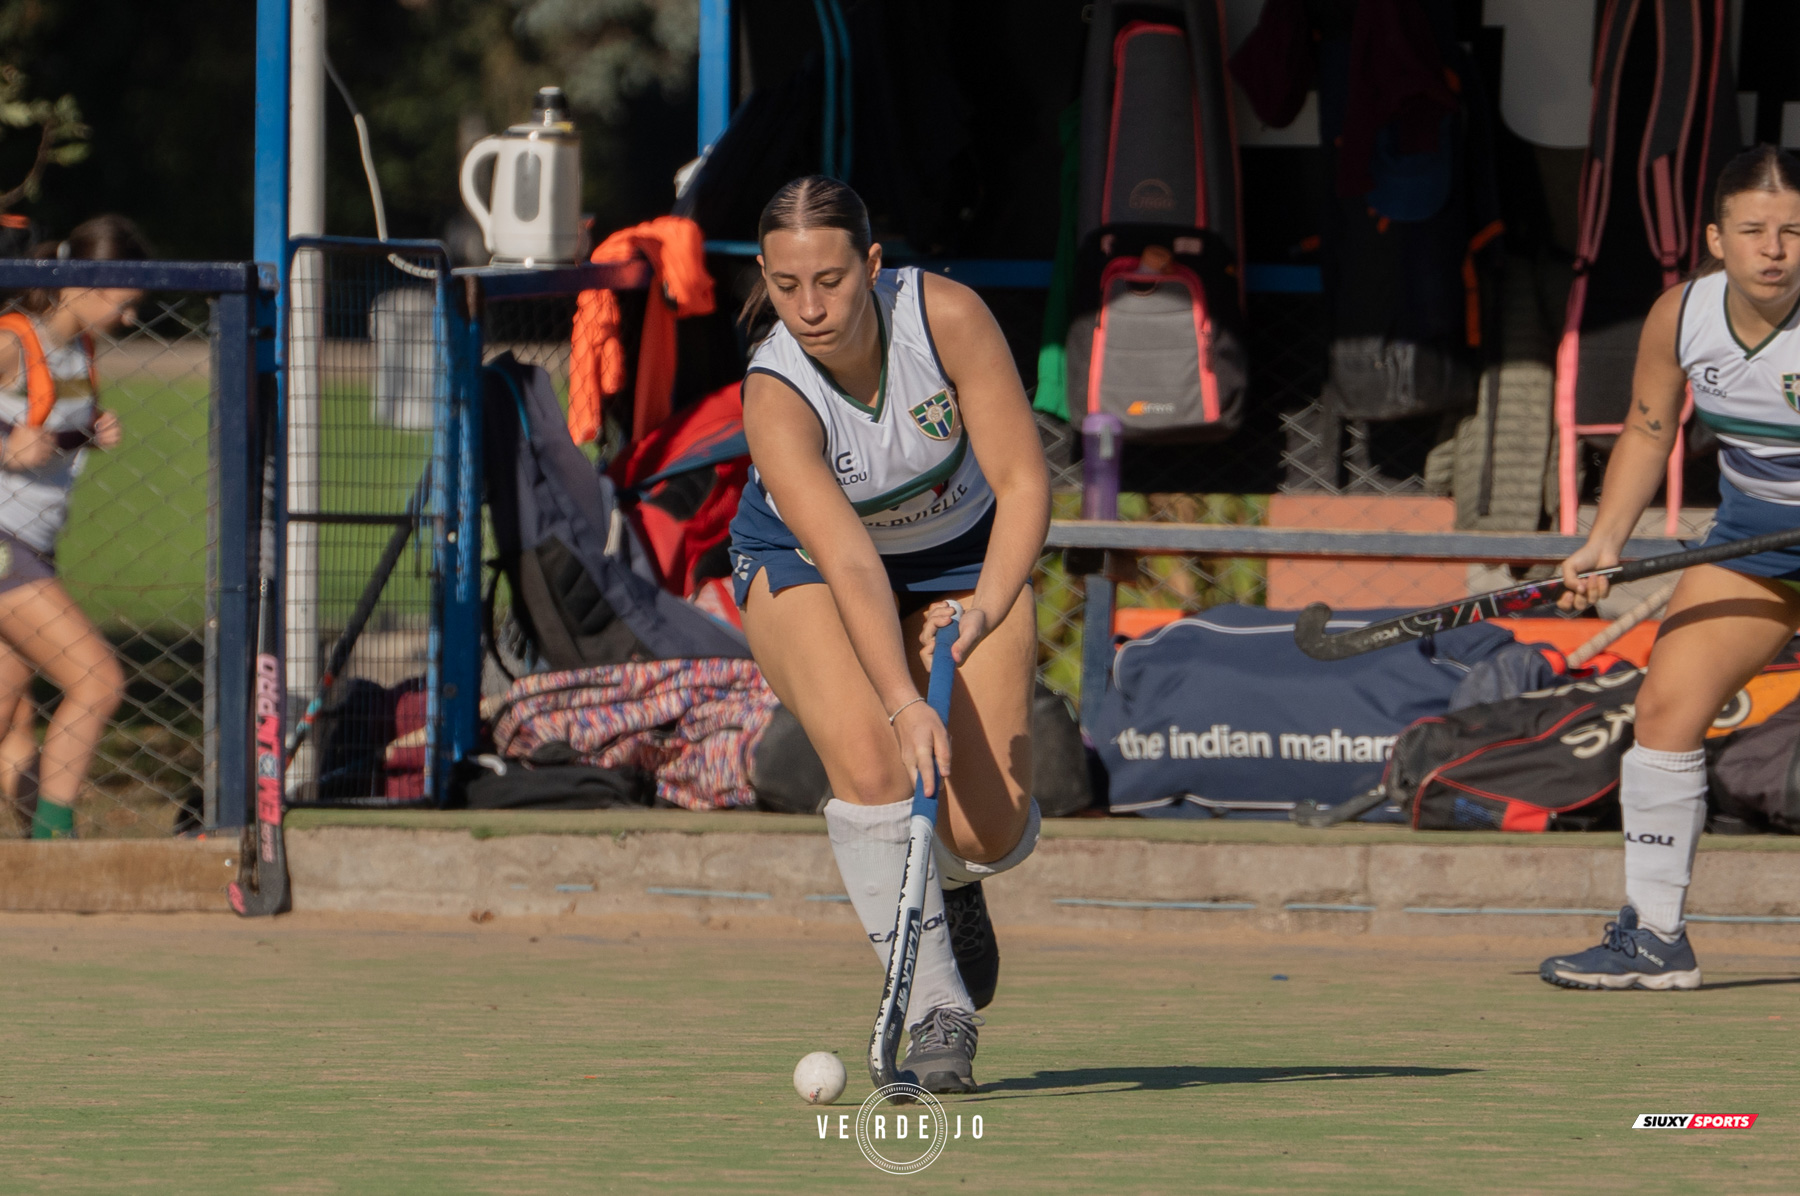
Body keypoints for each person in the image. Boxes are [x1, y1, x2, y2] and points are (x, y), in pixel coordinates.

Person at [729, 177, 1049, 1091]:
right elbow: (852, 564)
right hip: (807, 568)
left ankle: (951, 879)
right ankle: (936, 1009)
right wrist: (905, 700)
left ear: (872, 263)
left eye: (831, 279)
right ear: (766, 276)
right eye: (787, 286)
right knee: (873, 763)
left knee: (985, 829)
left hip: (964, 563)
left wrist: (985, 609)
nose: (812, 307)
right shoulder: (776, 392)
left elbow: (1025, 484)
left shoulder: (944, 317)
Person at [1540, 145, 1800, 990]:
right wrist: (1604, 541)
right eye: (1754, 230)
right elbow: (1650, 430)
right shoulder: (1679, 315)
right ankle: (1655, 938)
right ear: (1717, 239)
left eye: (1794, 231)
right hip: (1757, 549)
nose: (1775, 249)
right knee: (1663, 711)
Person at [0, 215, 145, 838]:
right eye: (124, 303)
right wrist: (6, 438)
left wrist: (87, 432)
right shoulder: (13, 339)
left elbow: (49, 436)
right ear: (84, 285)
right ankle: (54, 844)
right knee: (97, 681)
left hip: (36, 544)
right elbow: (16, 438)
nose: (131, 320)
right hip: (5, 545)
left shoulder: (80, 348)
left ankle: (33, 856)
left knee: (10, 716)